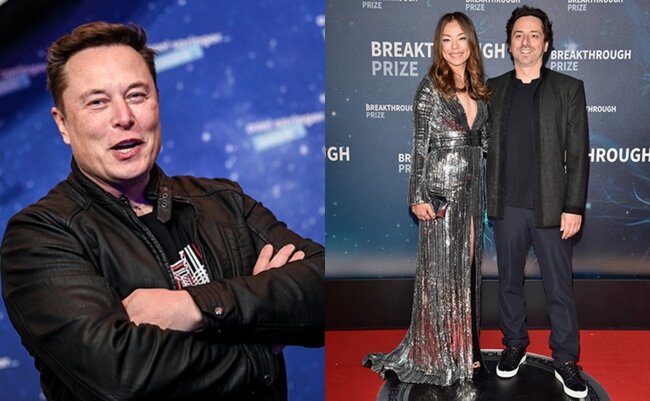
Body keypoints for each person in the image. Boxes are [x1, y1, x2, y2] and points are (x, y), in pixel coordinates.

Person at [0, 22, 323, 401]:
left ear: (157, 101)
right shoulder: (41, 236)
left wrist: (193, 307)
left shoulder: (223, 201)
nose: (124, 116)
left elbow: (331, 292)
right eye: (97, 102)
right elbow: (121, 376)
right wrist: (261, 345)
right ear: (63, 124)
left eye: (137, 95)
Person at [363, 12, 489, 386]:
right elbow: (420, 145)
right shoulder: (430, 87)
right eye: (446, 40)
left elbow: (484, 140)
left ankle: (465, 347)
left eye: (461, 38)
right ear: (439, 45)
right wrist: (417, 194)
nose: (454, 47)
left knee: (467, 267)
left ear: (471, 42)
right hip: (440, 191)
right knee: (442, 273)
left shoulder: (479, 86)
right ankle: (440, 352)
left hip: (473, 190)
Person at [486, 6, 589, 399]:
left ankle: (565, 358)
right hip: (507, 206)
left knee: (559, 287)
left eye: (533, 35)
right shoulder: (493, 89)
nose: (525, 41)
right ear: (509, 44)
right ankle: (514, 343)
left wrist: (573, 206)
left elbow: (578, 154)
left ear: (546, 44)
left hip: (552, 207)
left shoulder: (568, 88)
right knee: (509, 282)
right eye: (518, 35)